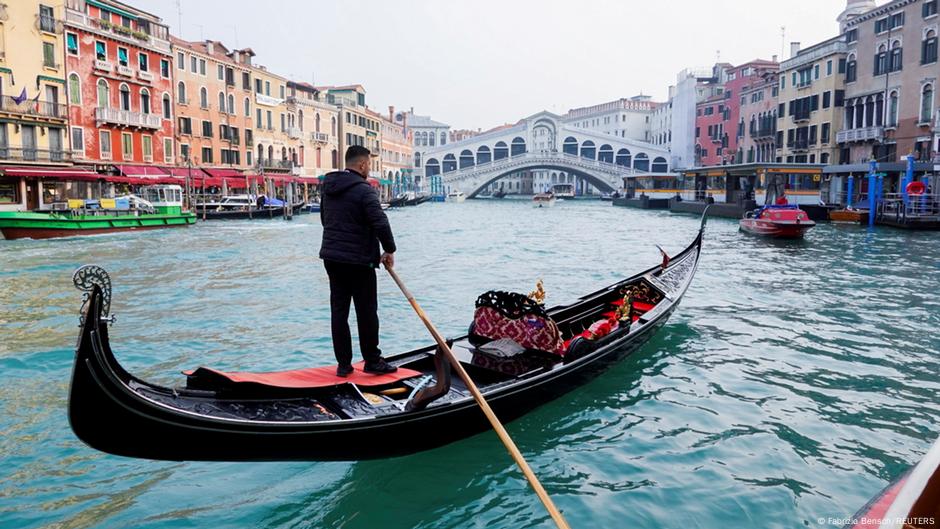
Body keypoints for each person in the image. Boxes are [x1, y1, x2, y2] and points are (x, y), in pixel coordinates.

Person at [320, 146, 397, 377]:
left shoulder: (329, 188)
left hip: (332, 257)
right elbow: (380, 222)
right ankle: (372, 361)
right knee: (366, 311)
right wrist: (389, 249)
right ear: (362, 165)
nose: (369, 168)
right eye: (369, 164)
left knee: (339, 311)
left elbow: (325, 219)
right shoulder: (364, 191)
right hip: (359, 261)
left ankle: (344, 365)